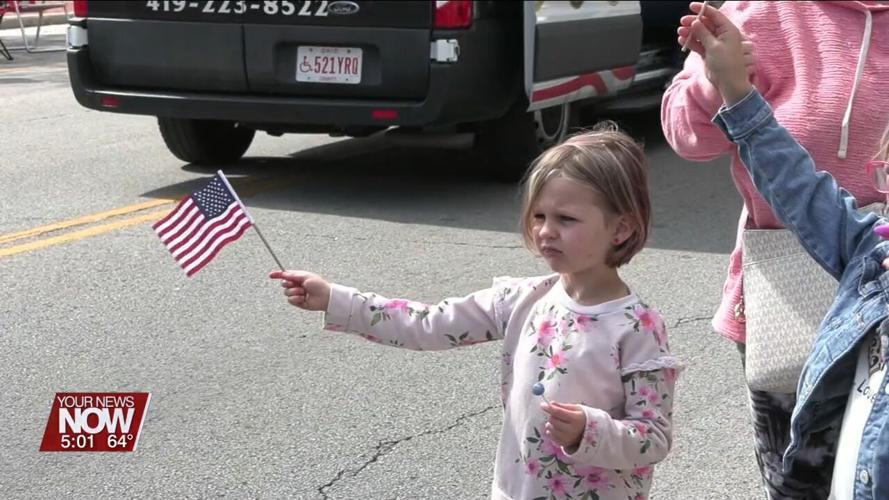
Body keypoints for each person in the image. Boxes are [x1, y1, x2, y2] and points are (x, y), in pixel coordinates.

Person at [270, 127, 683, 500]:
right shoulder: (523, 300)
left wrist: (588, 430)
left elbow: (653, 437)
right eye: (539, 215)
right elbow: (430, 324)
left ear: (621, 229)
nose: (545, 231)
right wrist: (336, 299)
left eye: (566, 219)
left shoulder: (636, 327)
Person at [662, 1, 889, 496]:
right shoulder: (762, 12)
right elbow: (687, 137)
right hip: (791, 297)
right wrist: (719, 83)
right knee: (800, 483)